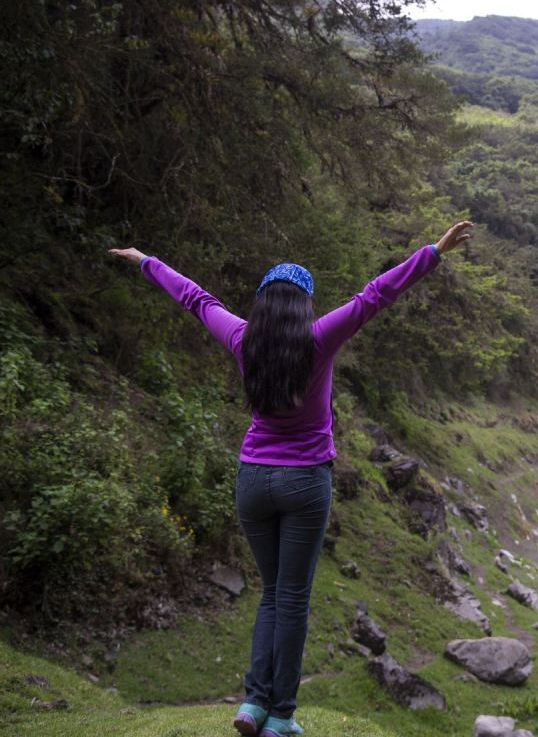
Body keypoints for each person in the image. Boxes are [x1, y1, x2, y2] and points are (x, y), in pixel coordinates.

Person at [109, 221, 473, 737]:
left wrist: (146, 260)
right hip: (305, 484)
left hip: (253, 481)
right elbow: (375, 296)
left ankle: (252, 706)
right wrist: (433, 252)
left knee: (271, 592)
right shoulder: (318, 339)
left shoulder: (241, 338)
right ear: (304, 306)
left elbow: (194, 298)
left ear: (262, 304)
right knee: (293, 599)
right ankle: (280, 715)